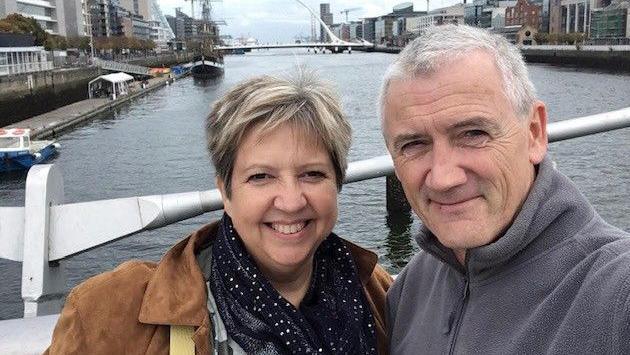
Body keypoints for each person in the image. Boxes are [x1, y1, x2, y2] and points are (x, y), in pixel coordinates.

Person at [46, 71, 393, 354]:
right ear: (225, 191)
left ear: (337, 183)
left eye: (312, 174)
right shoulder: (109, 313)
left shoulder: (379, 293)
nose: (290, 201)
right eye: (261, 177)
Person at [381, 24, 630, 354]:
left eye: (473, 134)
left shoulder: (615, 293)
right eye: (414, 144)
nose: (443, 178)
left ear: (534, 133)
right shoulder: (411, 288)